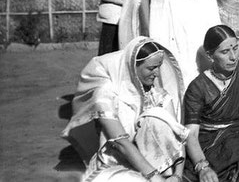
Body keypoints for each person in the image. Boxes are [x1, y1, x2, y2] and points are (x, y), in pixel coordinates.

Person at [62, 36, 188, 182]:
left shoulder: (157, 94)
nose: (157, 73)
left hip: (158, 168)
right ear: (132, 67)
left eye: (159, 66)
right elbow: (121, 143)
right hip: (117, 163)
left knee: (157, 116)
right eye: (151, 68)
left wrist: (177, 175)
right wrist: (154, 176)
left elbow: (177, 135)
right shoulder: (105, 95)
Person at [183, 25, 239, 182]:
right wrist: (203, 167)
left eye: (235, 48)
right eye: (225, 52)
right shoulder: (198, 87)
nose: (233, 57)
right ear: (210, 56)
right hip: (212, 149)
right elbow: (191, 134)